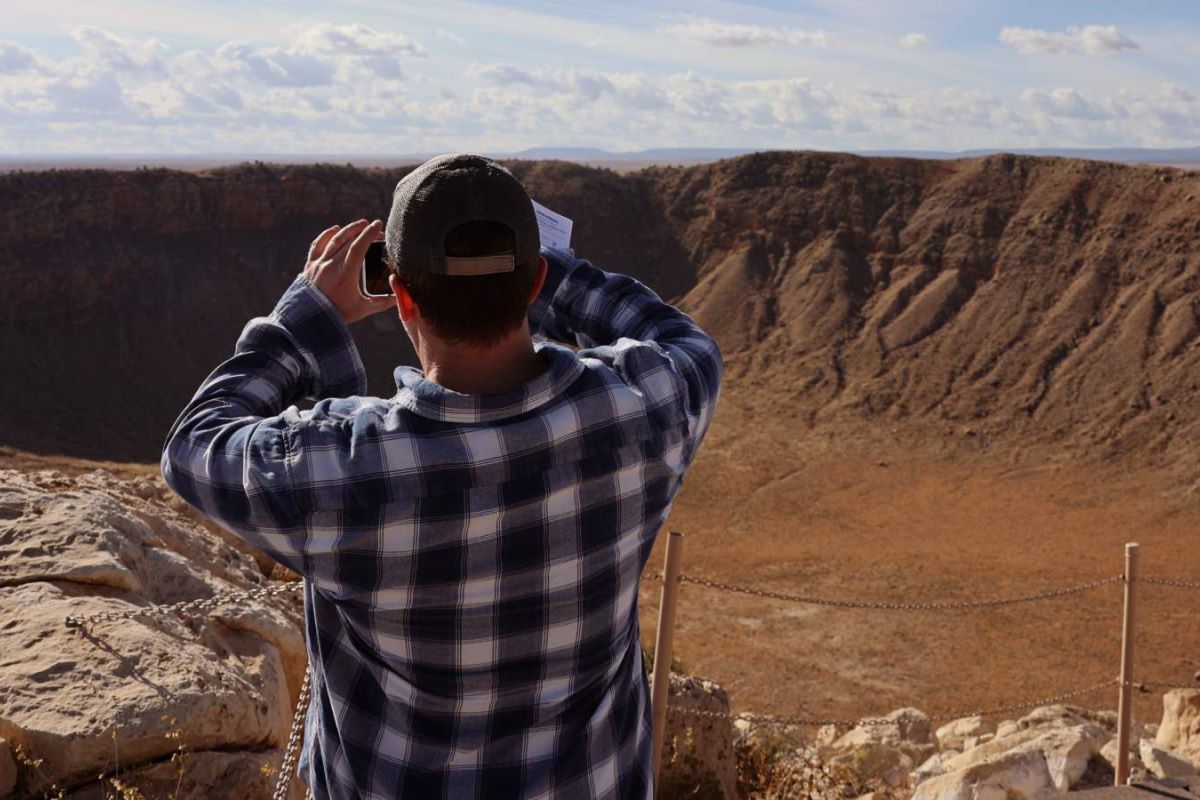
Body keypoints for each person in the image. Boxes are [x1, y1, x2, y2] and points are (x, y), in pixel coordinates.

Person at [161, 153, 723, 799]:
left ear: (399, 291)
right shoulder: (643, 410)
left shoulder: (343, 470)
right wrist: (548, 272)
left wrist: (304, 316)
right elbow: (687, 343)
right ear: (535, 281)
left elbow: (194, 444)